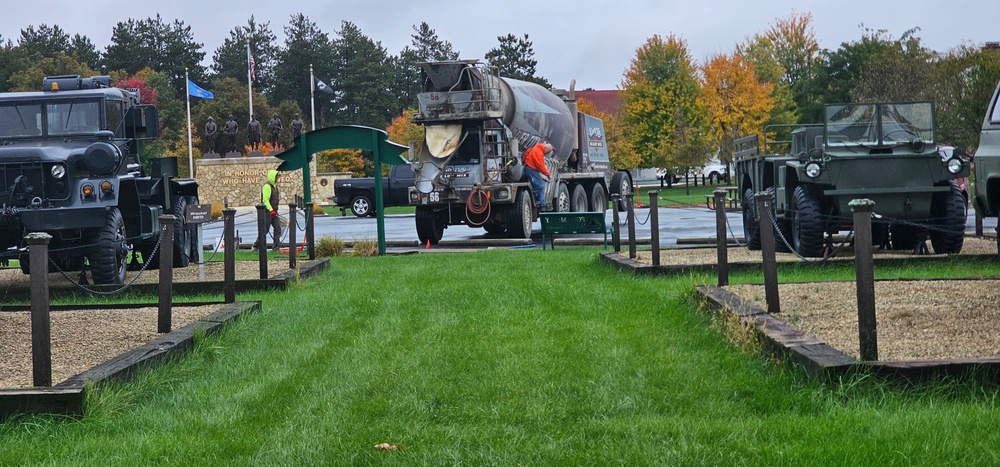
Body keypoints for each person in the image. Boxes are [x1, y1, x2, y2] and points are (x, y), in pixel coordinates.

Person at [255, 169, 283, 251]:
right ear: (272, 177)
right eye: (276, 176)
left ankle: (276, 248)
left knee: (278, 228)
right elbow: (265, 200)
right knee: (265, 230)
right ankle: (256, 245)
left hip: (274, 212)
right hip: (267, 212)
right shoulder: (267, 186)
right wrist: (271, 210)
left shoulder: (275, 186)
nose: (277, 178)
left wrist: (274, 211)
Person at [523, 142, 552, 210]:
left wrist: (524, 161)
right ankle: (532, 195)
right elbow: (540, 166)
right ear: (545, 148)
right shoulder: (538, 152)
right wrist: (548, 174)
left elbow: (527, 152)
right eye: (547, 152)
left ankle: (543, 205)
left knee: (540, 186)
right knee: (541, 185)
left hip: (529, 169)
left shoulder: (537, 148)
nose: (546, 154)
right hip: (531, 170)